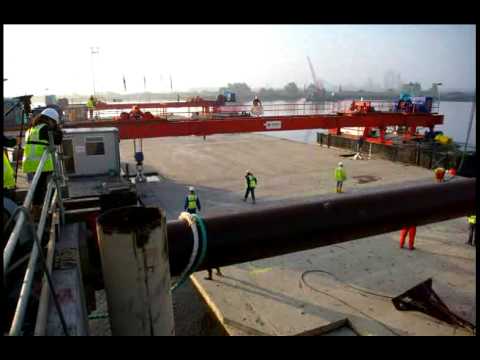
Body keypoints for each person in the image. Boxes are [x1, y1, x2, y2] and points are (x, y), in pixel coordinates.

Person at [22, 108, 63, 220]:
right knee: (41, 189)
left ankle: (36, 211)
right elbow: (58, 139)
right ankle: (37, 213)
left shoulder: (31, 129)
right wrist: (58, 129)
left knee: (37, 188)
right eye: (54, 122)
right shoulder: (45, 128)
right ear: (51, 120)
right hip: (41, 163)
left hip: (30, 163)